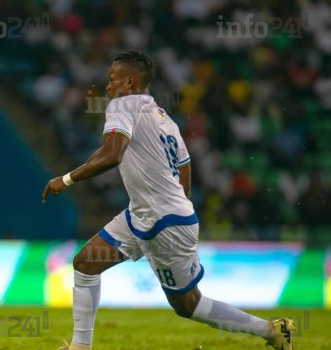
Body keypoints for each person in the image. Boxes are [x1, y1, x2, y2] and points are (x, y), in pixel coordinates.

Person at [41, 51, 294, 350]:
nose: (108, 87)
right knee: (85, 263)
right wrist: (174, 208)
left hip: (162, 222)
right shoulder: (164, 120)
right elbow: (183, 169)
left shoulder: (123, 105)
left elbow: (112, 155)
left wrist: (66, 179)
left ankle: (272, 331)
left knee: (188, 305)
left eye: (112, 80)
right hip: (147, 217)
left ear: (130, 82)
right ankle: (80, 347)